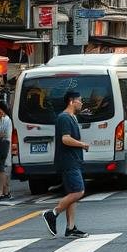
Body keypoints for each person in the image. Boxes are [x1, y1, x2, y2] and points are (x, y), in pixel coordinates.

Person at [42, 91, 90, 239]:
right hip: (68, 161)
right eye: (79, 100)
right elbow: (65, 139)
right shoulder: (64, 118)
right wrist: (82, 144)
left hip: (73, 160)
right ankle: (52, 213)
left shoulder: (72, 117)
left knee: (72, 194)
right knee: (79, 191)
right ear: (71, 101)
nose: (81, 103)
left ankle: (70, 228)